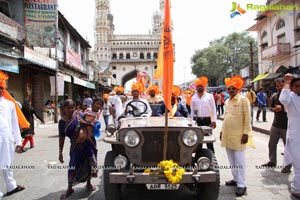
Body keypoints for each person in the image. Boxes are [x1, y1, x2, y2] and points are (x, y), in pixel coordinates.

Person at [59, 99, 98, 199]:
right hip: (75, 146)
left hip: (88, 144)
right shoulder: (62, 122)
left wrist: (85, 122)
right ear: (63, 109)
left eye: (72, 107)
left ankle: (88, 183)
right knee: (72, 165)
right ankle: (69, 188)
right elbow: (62, 137)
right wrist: (60, 152)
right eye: (68, 108)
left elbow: (93, 123)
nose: (70, 109)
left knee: (91, 163)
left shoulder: (81, 115)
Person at [220, 75, 251, 197]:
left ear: (238, 89)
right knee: (231, 159)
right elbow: (225, 118)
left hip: (239, 135)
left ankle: (242, 184)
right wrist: (222, 131)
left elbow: (248, 118)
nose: (231, 90)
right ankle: (235, 178)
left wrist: (246, 133)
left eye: (233, 88)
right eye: (229, 88)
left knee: (239, 160)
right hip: (228, 134)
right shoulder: (227, 101)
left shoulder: (243, 100)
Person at [0, 71, 25, 199]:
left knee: (8, 163)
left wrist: (19, 142)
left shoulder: (9, 104)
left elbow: (15, 124)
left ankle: (11, 186)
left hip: (7, 140)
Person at [261, 78, 291, 173]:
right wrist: (274, 109)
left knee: (288, 147)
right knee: (272, 144)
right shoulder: (275, 96)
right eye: (277, 86)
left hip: (287, 125)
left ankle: (287, 166)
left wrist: (282, 108)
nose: (279, 88)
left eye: (281, 86)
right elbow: (271, 107)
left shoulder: (289, 96)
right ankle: (272, 161)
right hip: (276, 124)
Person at [279, 74, 300, 198]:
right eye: (297, 86)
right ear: (291, 88)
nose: (299, 88)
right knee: (298, 164)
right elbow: (283, 99)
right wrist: (287, 82)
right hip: (296, 136)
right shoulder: (290, 98)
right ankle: (296, 189)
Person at [190, 76, 217, 153]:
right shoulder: (193, 97)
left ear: (204, 87)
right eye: (198, 86)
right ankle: (199, 156)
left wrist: (214, 120)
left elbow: (214, 109)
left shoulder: (209, 96)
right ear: (196, 87)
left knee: (209, 140)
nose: (200, 87)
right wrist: (192, 122)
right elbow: (192, 111)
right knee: (198, 139)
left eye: (201, 86)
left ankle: (212, 155)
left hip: (207, 120)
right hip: (197, 120)